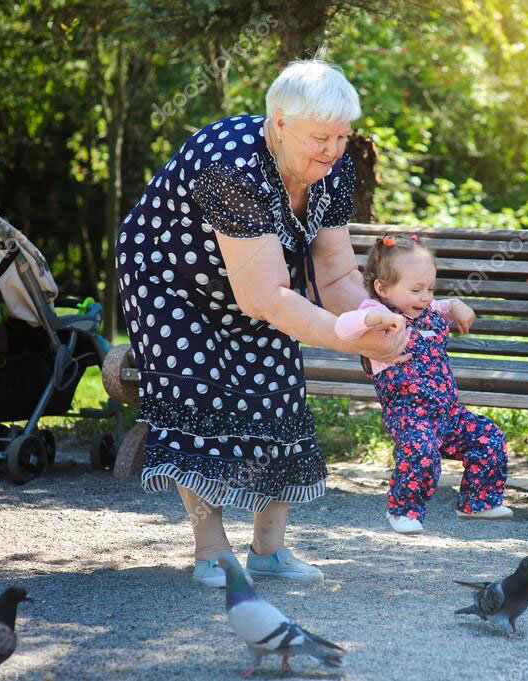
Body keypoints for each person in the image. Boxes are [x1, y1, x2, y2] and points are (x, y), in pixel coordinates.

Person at [115, 59, 409, 586]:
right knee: (200, 396)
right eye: (321, 137)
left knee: (279, 389)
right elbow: (266, 299)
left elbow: (337, 270)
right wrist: (348, 341)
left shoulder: (333, 168)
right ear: (279, 122)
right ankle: (212, 552)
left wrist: (372, 319)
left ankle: (268, 551)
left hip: (257, 282)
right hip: (170, 280)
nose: (333, 149)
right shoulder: (231, 164)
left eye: (342, 137)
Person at [333, 234, 512, 534]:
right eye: (416, 290)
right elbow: (341, 327)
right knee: (420, 450)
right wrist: (372, 319)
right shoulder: (374, 314)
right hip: (409, 413)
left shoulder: (427, 311)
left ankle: (478, 502)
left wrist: (455, 305)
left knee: (488, 436)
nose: (426, 297)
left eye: (430, 288)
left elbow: (441, 306)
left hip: (448, 412)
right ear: (382, 289)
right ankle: (404, 510)